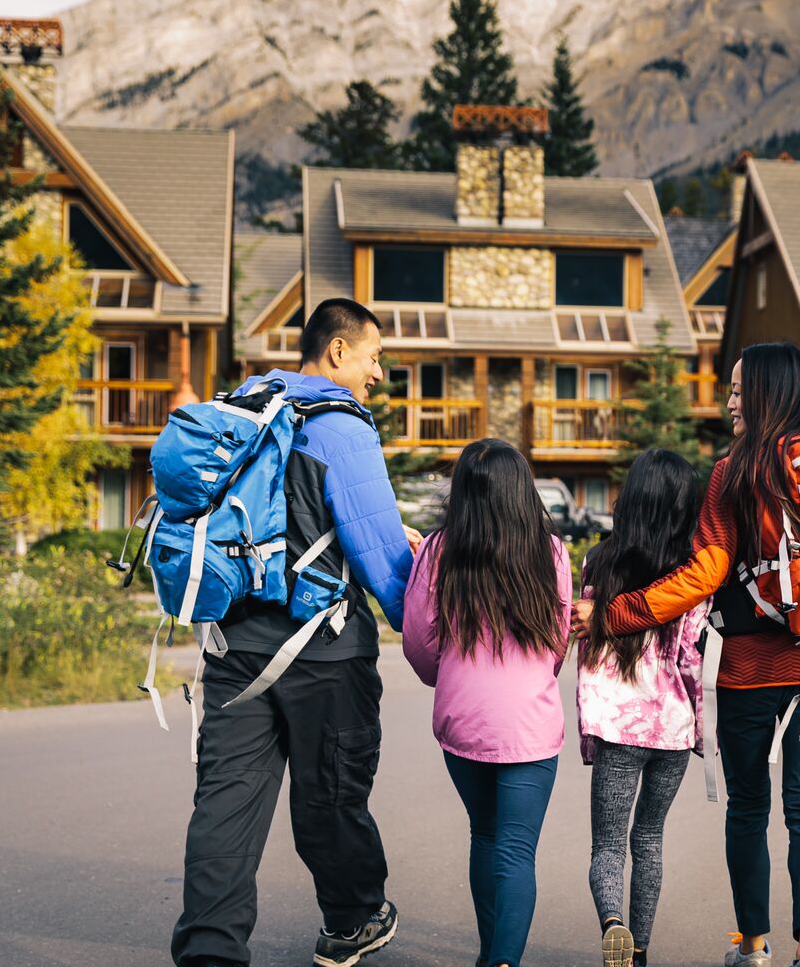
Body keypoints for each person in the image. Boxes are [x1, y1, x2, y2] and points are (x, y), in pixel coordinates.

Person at [571, 342, 800, 967]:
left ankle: (752, 944)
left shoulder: (735, 472)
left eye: (741, 390)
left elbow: (704, 574)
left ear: (769, 392)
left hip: (750, 670)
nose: (730, 403)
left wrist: (614, 615)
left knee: (749, 804)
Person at [172, 298, 418, 967]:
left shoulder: (245, 405)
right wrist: (426, 639)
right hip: (325, 653)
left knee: (226, 804)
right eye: (372, 357)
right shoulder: (341, 428)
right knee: (331, 795)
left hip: (231, 646)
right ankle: (352, 920)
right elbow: (381, 560)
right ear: (337, 351)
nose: (376, 374)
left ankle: (209, 952)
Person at [402, 437, 574, 967]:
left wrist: (449, 677)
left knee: (484, 834)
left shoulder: (438, 549)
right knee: (516, 849)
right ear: (522, 491)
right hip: (529, 725)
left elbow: (418, 641)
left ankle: (488, 954)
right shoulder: (550, 551)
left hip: (465, 721)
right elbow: (559, 637)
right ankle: (503, 961)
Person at [575, 449, 708, 967]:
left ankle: (614, 925)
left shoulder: (598, 563)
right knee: (649, 839)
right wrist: (698, 731)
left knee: (607, 844)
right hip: (670, 729)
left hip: (617, 727)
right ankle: (642, 953)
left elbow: (585, 650)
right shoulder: (690, 578)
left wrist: (591, 727)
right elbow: (692, 659)